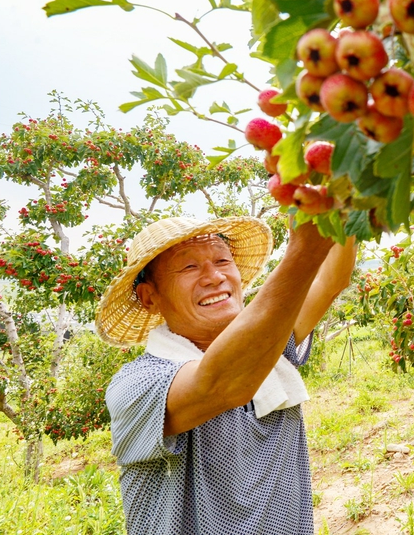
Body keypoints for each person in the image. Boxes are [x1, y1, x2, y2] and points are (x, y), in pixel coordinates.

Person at [97, 216, 356, 534]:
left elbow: (330, 282)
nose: (214, 276)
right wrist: (304, 250)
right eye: (189, 268)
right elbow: (222, 384)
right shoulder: (137, 384)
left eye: (222, 260)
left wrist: (342, 207)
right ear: (151, 297)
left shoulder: (269, 345)